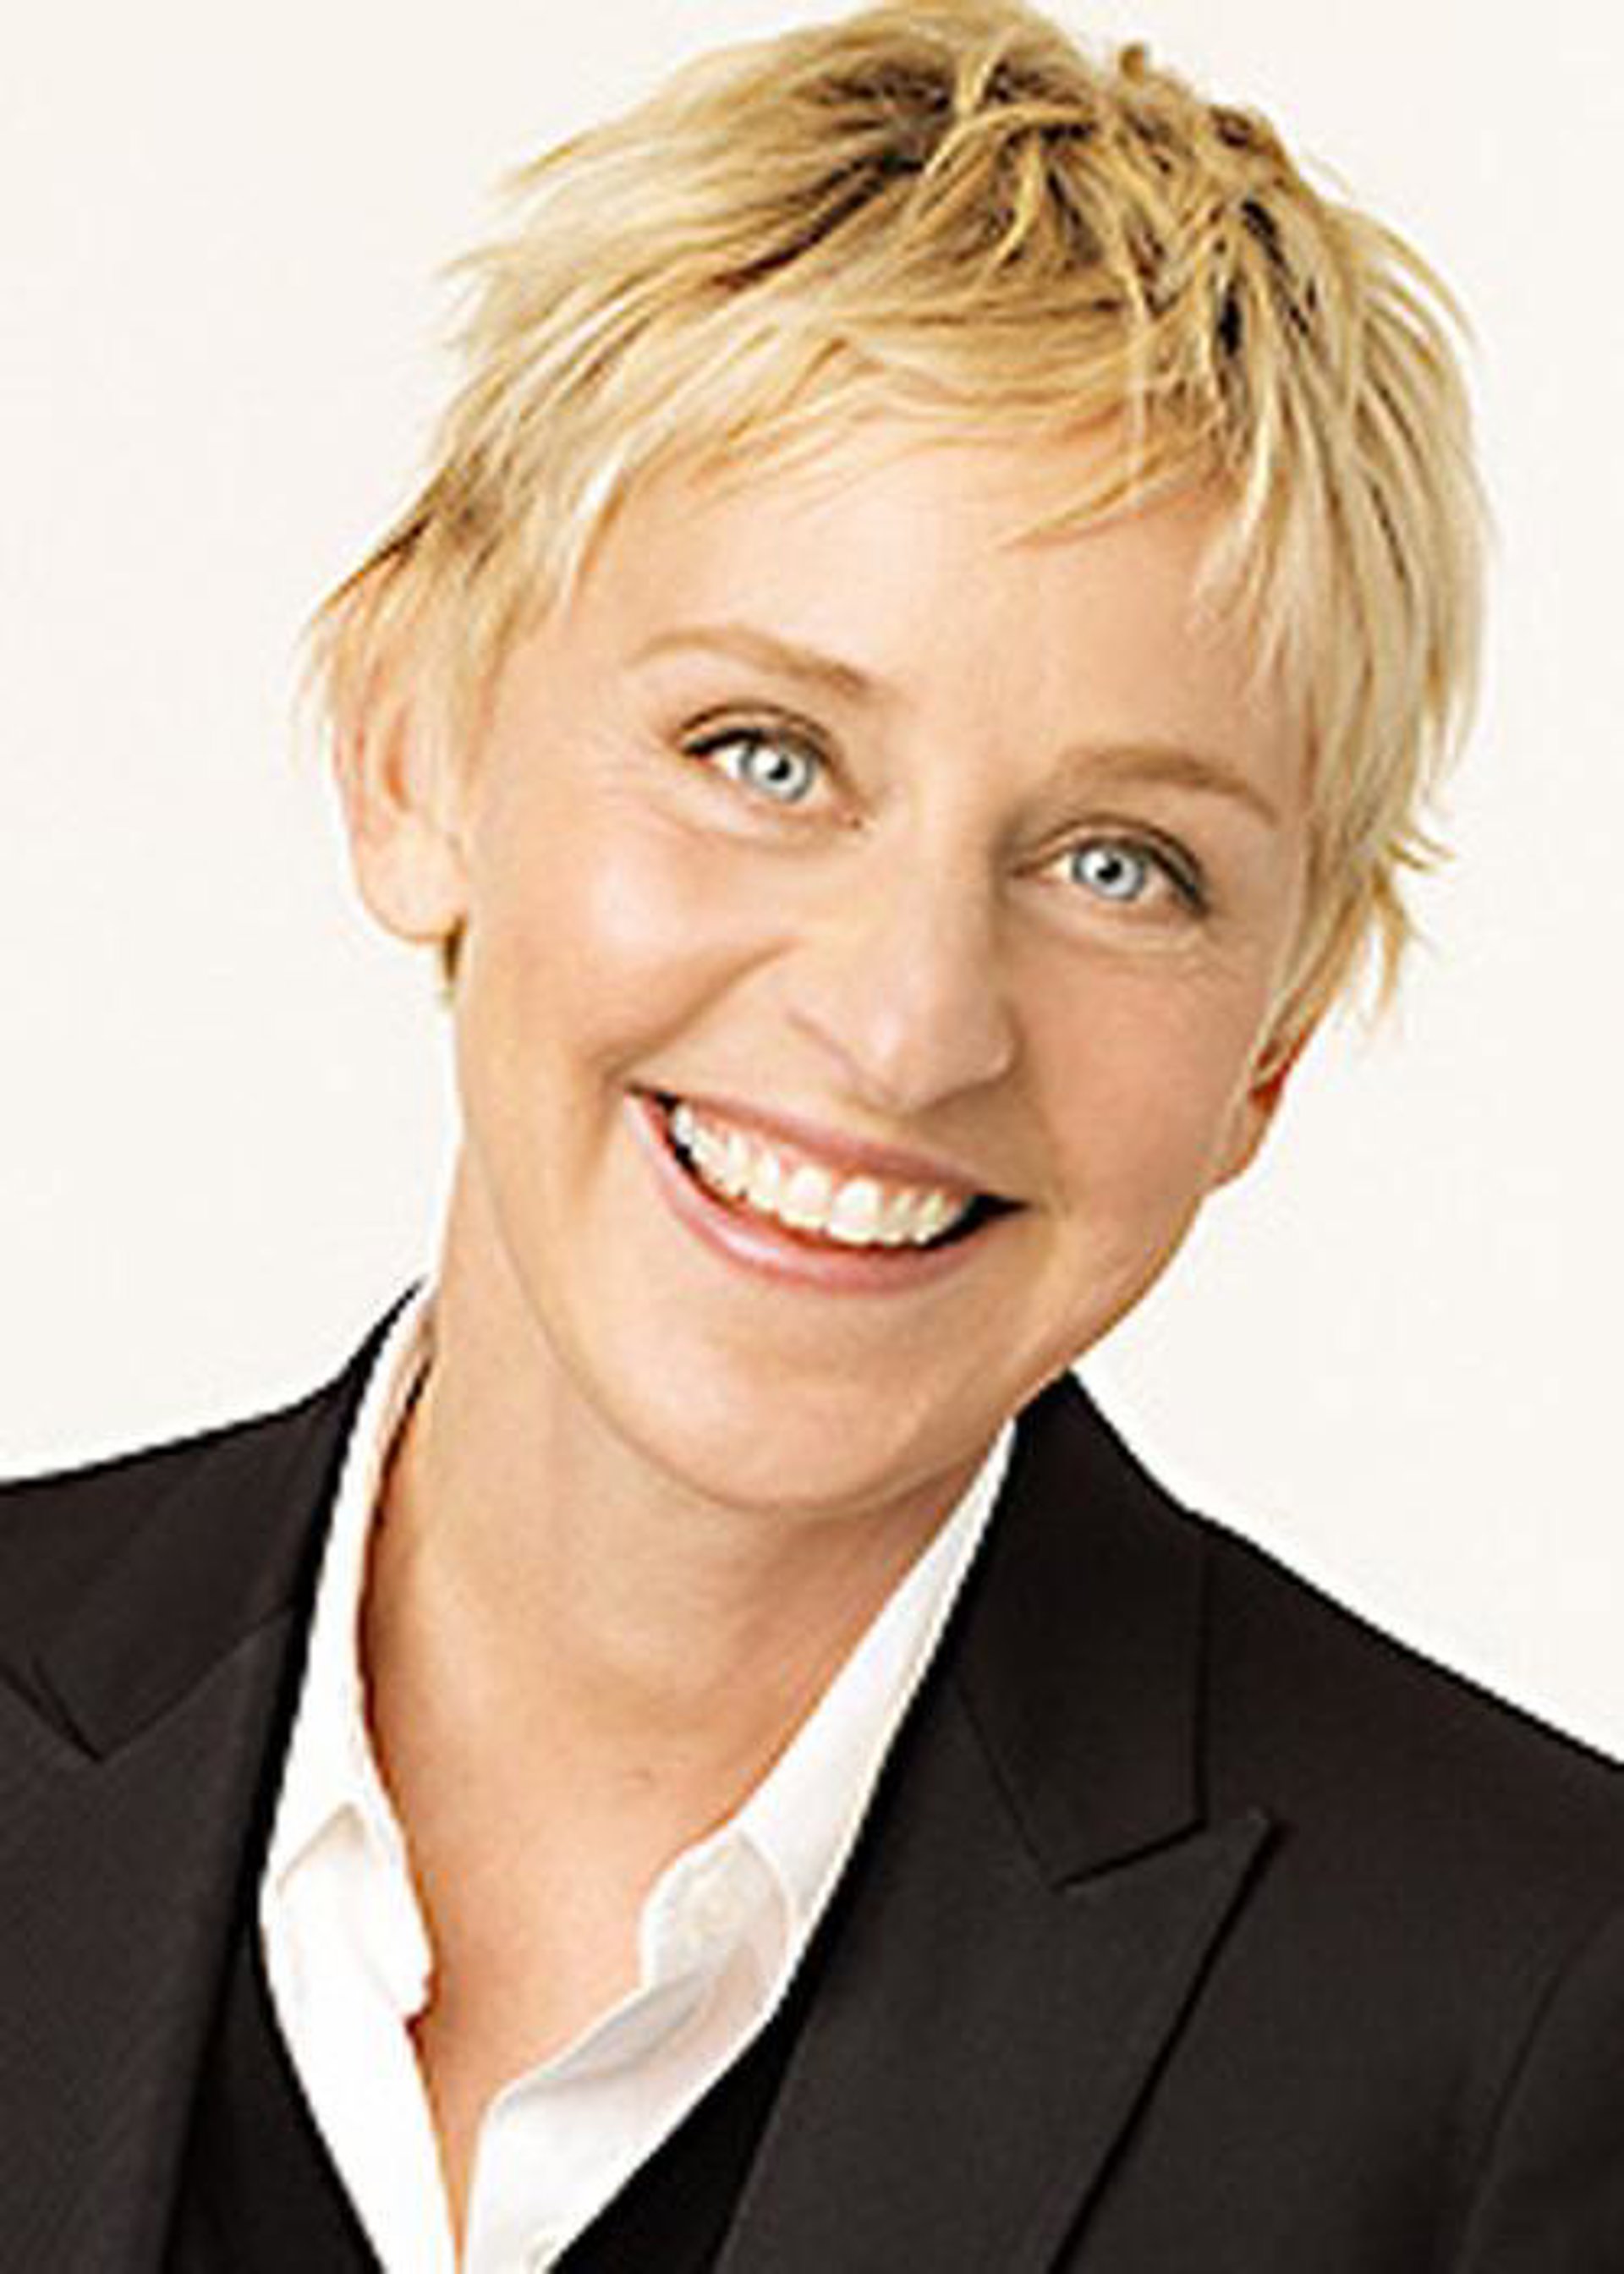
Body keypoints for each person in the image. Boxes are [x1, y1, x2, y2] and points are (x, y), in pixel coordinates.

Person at [4, 2, 1623, 2266]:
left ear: (1276, 1039)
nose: (904, 1024)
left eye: (1123, 866)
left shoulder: (1524, 2027)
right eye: (764, 755)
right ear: (408, 749)